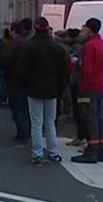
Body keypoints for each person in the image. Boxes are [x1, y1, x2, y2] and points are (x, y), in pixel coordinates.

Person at [15, 17, 68, 165]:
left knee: (36, 123)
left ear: (34, 28)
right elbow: (64, 71)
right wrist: (60, 88)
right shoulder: (57, 48)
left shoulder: (29, 47)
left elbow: (21, 69)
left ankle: (37, 152)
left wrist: (25, 84)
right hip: (52, 89)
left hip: (33, 88)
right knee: (50, 122)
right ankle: (53, 151)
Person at [71, 18, 103, 164]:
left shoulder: (89, 46)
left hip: (90, 87)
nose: (81, 32)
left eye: (83, 29)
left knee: (90, 118)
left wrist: (82, 87)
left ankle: (92, 150)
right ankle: (99, 148)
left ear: (89, 30)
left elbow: (87, 70)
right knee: (98, 118)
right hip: (101, 86)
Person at [0, 21, 30, 145]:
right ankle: (25, 132)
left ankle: (22, 134)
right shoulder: (26, 42)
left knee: (17, 108)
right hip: (25, 78)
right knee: (24, 107)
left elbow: (5, 59)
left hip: (14, 77)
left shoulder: (14, 43)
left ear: (14, 30)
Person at [0, 28, 10, 107]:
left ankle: (2, 99)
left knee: (3, 84)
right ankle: (3, 100)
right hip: (5, 65)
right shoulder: (8, 42)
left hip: (1, 65)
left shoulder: (2, 41)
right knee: (4, 84)